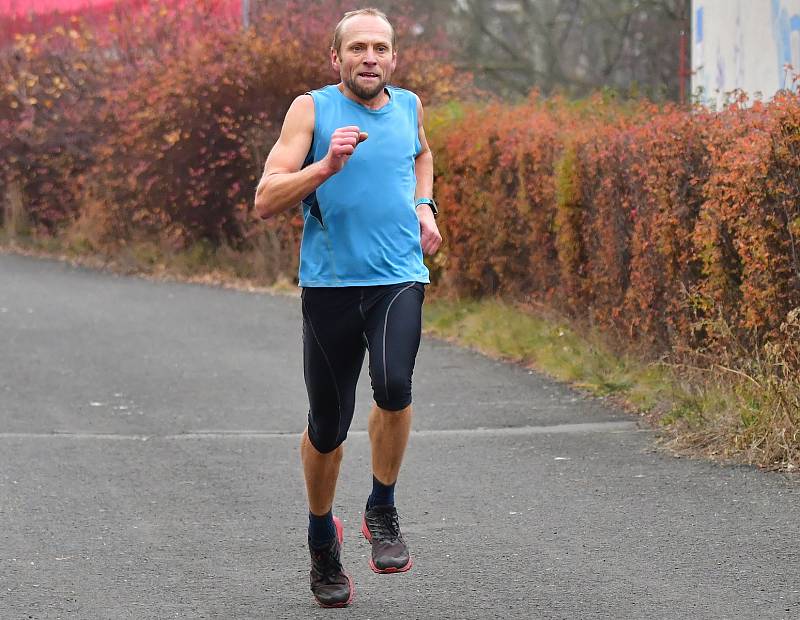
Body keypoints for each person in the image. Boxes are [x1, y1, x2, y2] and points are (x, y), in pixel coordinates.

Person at [253, 7, 442, 608]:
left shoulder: (410, 106)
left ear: (393, 58)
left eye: (380, 49)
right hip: (331, 287)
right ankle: (320, 537)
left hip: (398, 278)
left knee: (393, 383)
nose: (370, 58)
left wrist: (425, 206)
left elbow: (421, 155)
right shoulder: (310, 109)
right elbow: (265, 198)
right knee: (329, 428)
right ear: (336, 58)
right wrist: (326, 165)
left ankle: (381, 509)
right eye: (357, 48)